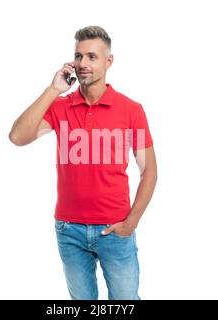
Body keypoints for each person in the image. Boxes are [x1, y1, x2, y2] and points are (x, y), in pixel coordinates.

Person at [9, 26, 157, 300]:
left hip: (115, 229)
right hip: (69, 230)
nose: (83, 64)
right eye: (78, 56)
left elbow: (149, 170)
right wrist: (53, 89)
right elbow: (18, 137)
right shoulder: (60, 107)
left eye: (92, 56)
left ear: (108, 61)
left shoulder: (130, 110)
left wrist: (131, 221)